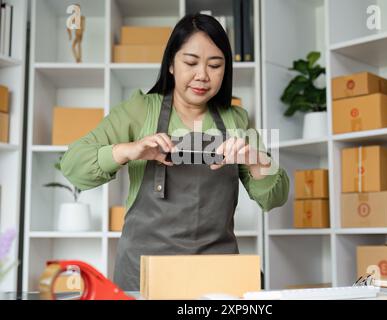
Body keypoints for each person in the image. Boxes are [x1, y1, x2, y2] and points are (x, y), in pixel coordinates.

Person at [60, 13, 289, 291]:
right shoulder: (140, 110)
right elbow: (73, 164)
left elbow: (275, 198)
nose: (202, 75)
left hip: (218, 274)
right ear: (171, 64)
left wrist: (256, 161)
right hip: (145, 273)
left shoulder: (237, 120)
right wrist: (129, 150)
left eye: (215, 65)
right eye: (191, 63)